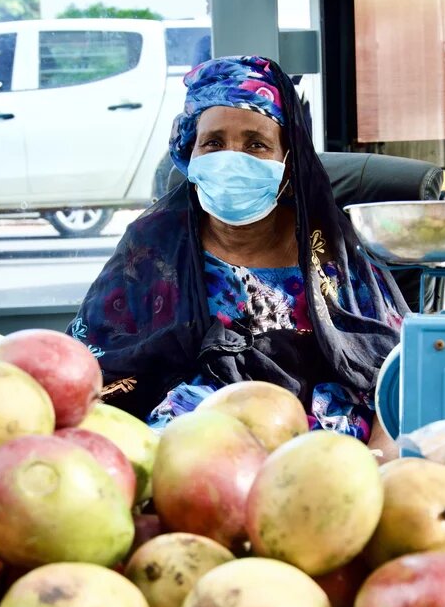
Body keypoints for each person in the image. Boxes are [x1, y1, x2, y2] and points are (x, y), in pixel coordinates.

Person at [68, 56, 405, 455]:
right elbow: (94, 366)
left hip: (323, 452)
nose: (232, 158)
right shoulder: (151, 246)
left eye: (256, 144)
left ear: (287, 160)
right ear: (189, 154)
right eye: (212, 143)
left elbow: (395, 369)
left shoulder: (330, 248)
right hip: (187, 447)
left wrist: (382, 458)